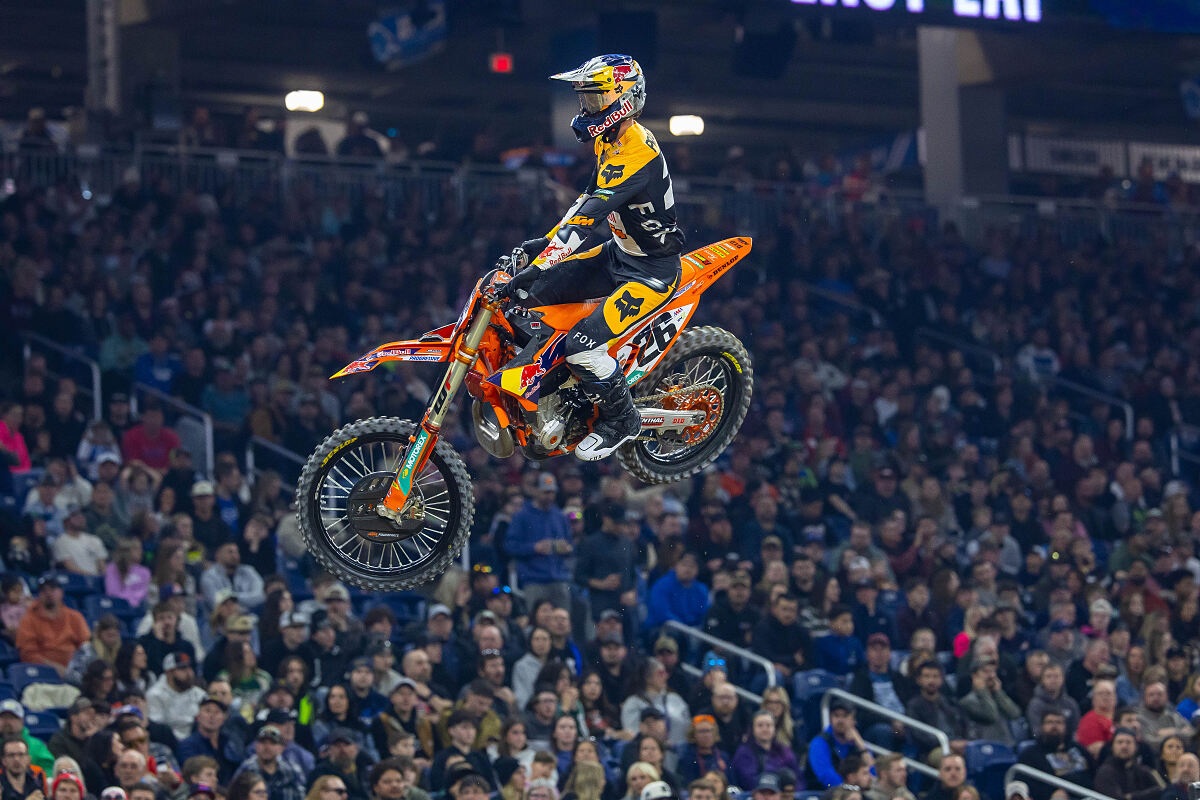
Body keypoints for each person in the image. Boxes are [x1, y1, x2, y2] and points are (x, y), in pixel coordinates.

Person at [496, 54, 683, 461]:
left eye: (595, 99)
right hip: (618, 253)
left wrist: (541, 263)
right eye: (585, 99)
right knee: (527, 299)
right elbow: (588, 197)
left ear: (624, 99)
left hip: (650, 271)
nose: (586, 108)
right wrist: (544, 244)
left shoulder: (636, 152)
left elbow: (587, 219)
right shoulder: (608, 138)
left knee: (582, 346)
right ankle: (553, 388)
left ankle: (622, 420)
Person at [15, 574, 89, 675]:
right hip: (42, 673)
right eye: (44, 590)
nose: (48, 593)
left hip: (75, 671)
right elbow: (28, 654)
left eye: (52, 589)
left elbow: (85, 646)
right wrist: (54, 668)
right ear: (39, 594)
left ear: (61, 592)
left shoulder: (74, 617)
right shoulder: (28, 619)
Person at [1016, 710, 1088, 800]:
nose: (1054, 726)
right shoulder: (1030, 754)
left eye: (1059, 722)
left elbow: (1094, 772)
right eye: (1049, 722)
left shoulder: (1078, 748)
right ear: (1042, 726)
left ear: (1066, 727)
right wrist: (1050, 794)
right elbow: (1024, 784)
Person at [805, 699, 872, 790]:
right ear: (830, 719)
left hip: (854, 792)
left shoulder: (857, 743)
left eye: (845, 716)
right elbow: (826, 776)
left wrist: (861, 745)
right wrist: (850, 790)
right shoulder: (820, 742)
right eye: (836, 715)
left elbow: (872, 773)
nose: (840, 720)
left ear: (853, 720)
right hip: (823, 792)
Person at [233, 726, 305, 800]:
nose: (267, 747)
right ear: (256, 746)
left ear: (281, 748)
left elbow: (301, 796)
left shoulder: (292, 771)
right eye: (263, 742)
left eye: (272, 743)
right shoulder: (246, 770)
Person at [730, 711, 798, 790]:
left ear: (774, 728)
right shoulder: (743, 753)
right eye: (760, 725)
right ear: (752, 729)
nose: (765, 729)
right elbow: (750, 782)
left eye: (768, 725)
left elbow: (799, 778)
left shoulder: (784, 751)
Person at [1093, 727, 1164, 800]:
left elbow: (1161, 791)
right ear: (1112, 746)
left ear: (1136, 747)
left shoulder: (1143, 771)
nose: (1124, 746)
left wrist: (1131, 797)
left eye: (1128, 742)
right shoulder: (1105, 772)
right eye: (1120, 742)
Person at [0, 736, 46, 800]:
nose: (16, 759)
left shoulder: (36, 783)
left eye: (21, 754)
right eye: (11, 755)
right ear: (3, 760)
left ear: (28, 759)